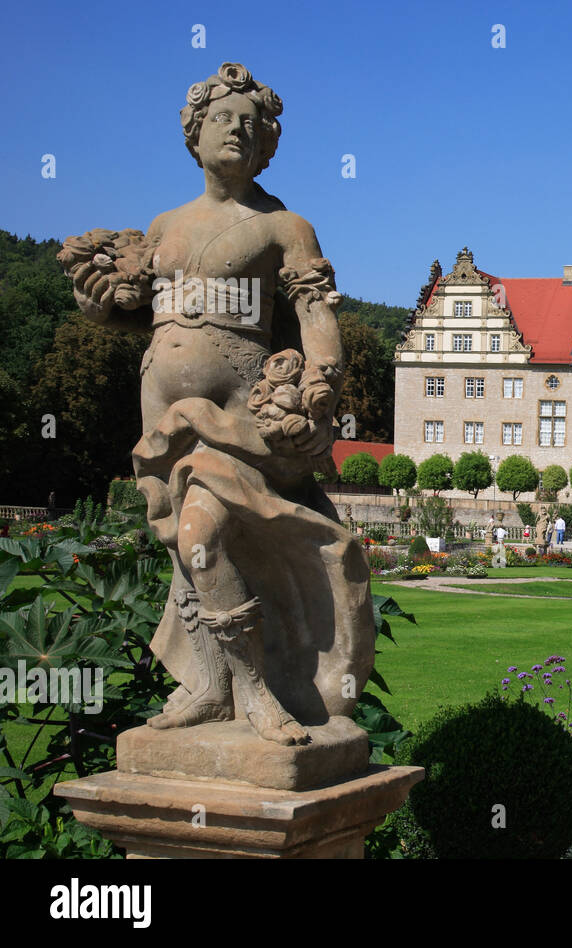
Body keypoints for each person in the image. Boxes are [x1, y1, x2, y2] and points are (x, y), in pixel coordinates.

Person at [58, 63, 371, 746]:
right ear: (194, 134)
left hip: (236, 412)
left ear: (267, 146)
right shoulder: (163, 225)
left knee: (204, 536)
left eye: (252, 123)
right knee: (185, 550)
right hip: (158, 408)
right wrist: (96, 301)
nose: (238, 129)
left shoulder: (283, 226)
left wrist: (320, 386)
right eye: (223, 117)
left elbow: (315, 315)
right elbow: (144, 317)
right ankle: (209, 687)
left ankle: (256, 692)